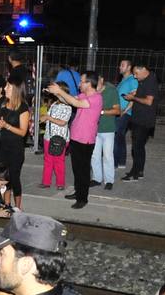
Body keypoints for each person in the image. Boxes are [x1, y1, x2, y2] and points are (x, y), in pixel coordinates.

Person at [47, 73, 102, 209]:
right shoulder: (84, 95)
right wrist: (56, 94)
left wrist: (60, 91)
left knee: (83, 170)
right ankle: (78, 193)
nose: (79, 84)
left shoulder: (96, 98)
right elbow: (69, 101)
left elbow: (76, 103)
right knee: (77, 169)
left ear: (89, 83)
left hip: (86, 140)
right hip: (76, 137)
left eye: (82, 82)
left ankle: (83, 198)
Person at [0, 79, 30, 210]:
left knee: (14, 178)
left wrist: (6, 126)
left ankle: (18, 208)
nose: (4, 89)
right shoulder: (4, 105)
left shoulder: (23, 108)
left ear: (16, 89)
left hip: (16, 149)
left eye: (8, 86)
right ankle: (7, 204)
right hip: (3, 147)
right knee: (3, 177)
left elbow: (23, 132)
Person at [92, 73, 120, 190]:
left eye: (97, 82)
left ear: (102, 80)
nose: (95, 86)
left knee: (108, 155)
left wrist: (101, 112)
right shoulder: (92, 92)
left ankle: (109, 180)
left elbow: (117, 111)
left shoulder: (111, 91)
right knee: (94, 155)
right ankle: (96, 178)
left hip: (108, 129)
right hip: (93, 129)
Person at [112, 59, 137, 174]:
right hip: (120, 112)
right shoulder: (124, 80)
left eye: (122, 65)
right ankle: (121, 162)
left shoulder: (132, 80)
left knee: (116, 137)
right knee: (120, 137)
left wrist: (124, 110)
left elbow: (133, 98)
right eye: (120, 65)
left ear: (129, 67)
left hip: (124, 113)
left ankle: (114, 163)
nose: (120, 67)